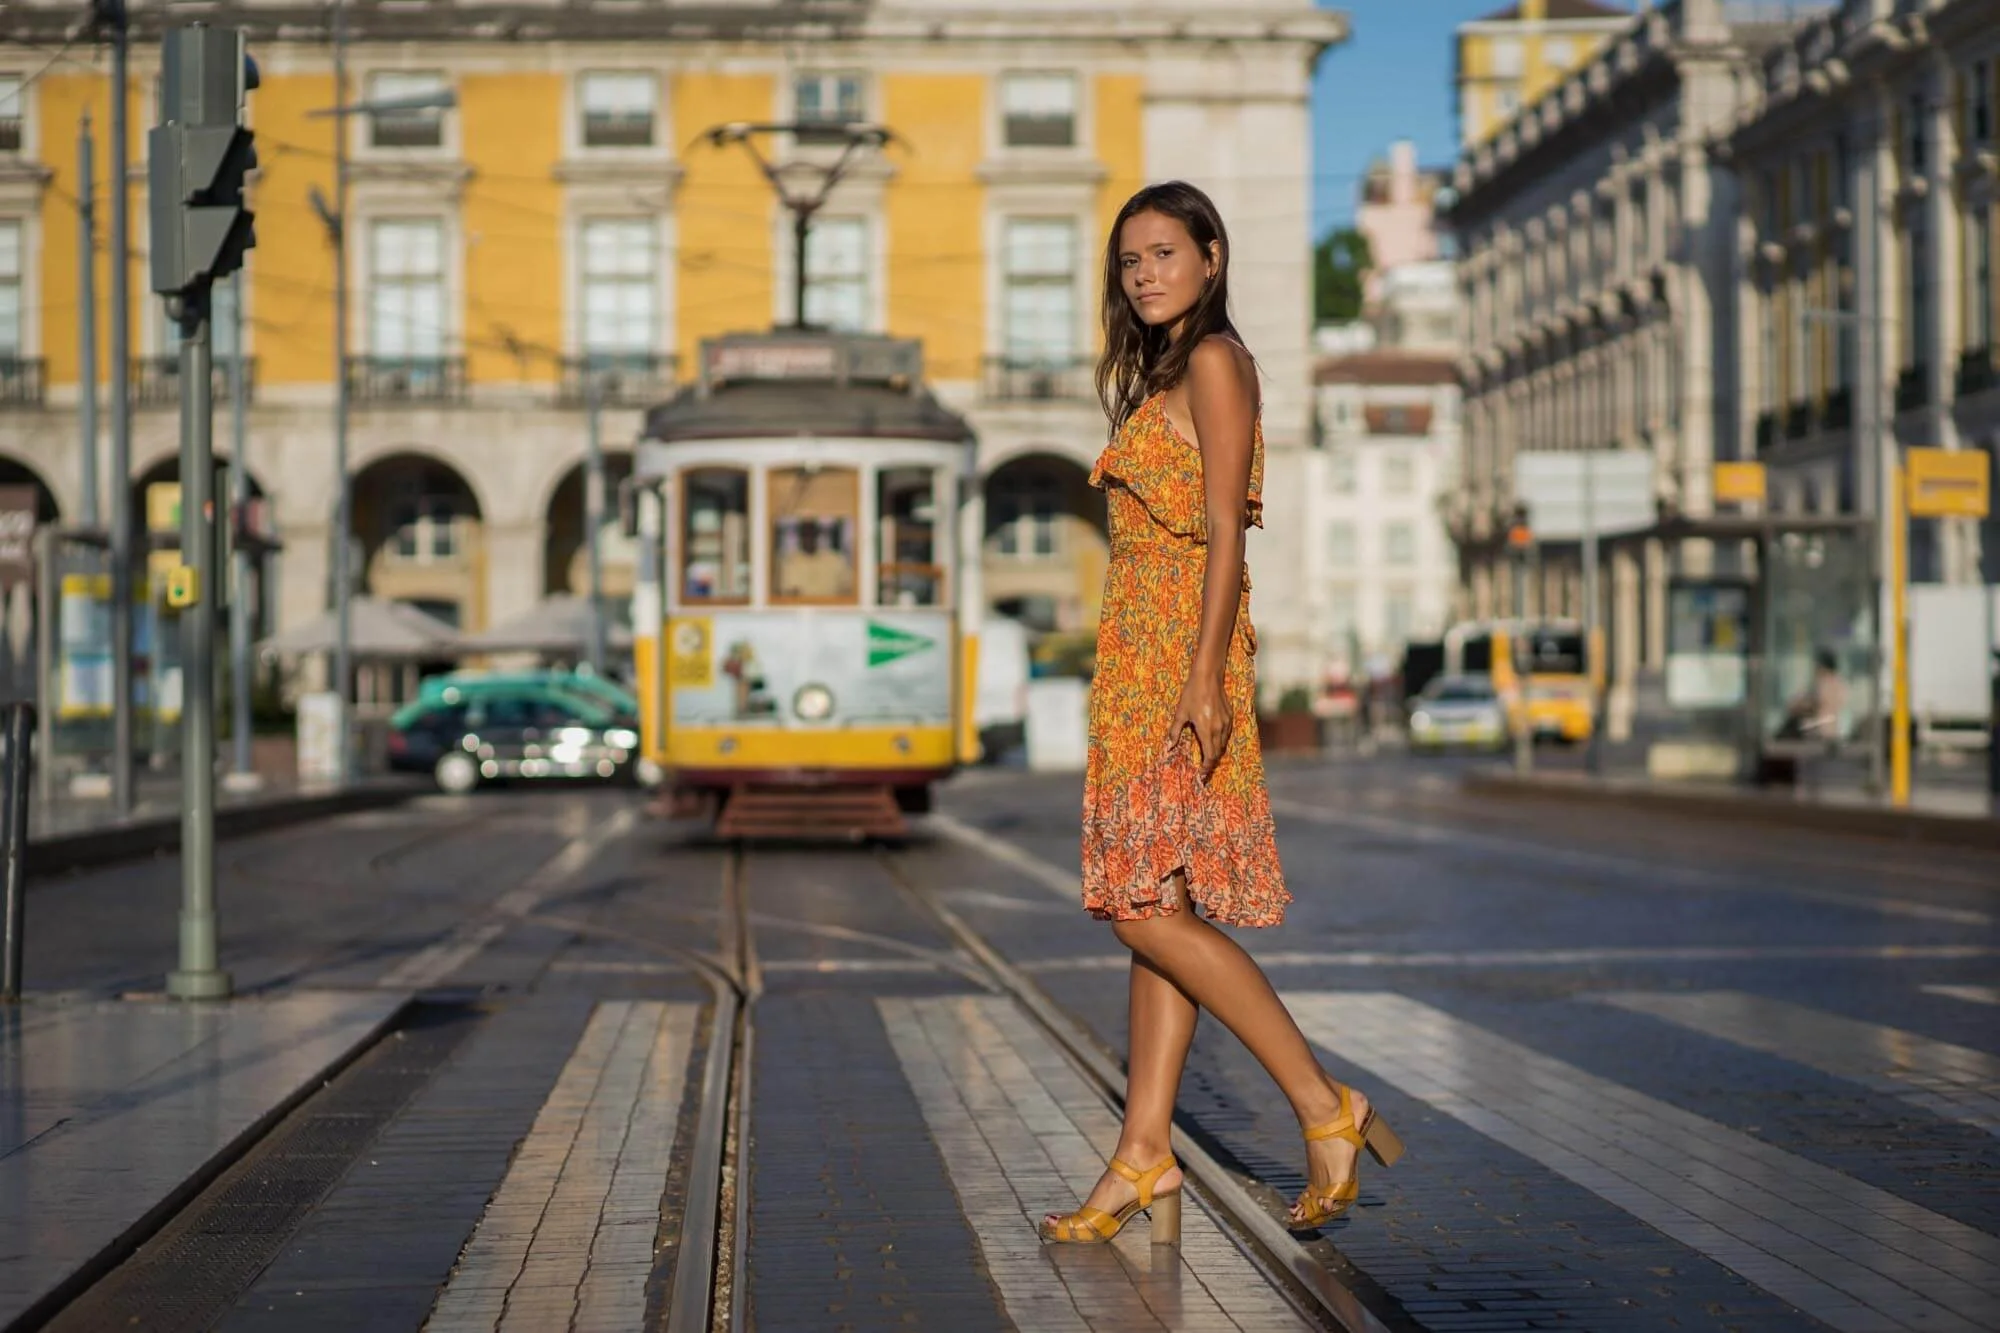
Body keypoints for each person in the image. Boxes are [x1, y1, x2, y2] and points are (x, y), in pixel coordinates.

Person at [1039, 182, 1402, 1248]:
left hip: (1178, 661)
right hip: (1136, 653)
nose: (1144, 274)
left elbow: (1227, 537)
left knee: (1140, 909)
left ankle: (1322, 1103)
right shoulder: (1162, 369)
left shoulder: (1212, 362)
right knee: (1159, 905)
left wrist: (1202, 675)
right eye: (1128, 261)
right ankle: (1142, 1154)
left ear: (1210, 255)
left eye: (1162, 253)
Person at [774, 519, 852, 600]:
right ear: (800, 536)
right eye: (805, 534)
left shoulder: (836, 560)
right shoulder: (787, 563)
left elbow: (849, 590)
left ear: (817, 534)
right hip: (798, 610)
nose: (809, 538)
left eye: (812, 533)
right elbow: (781, 594)